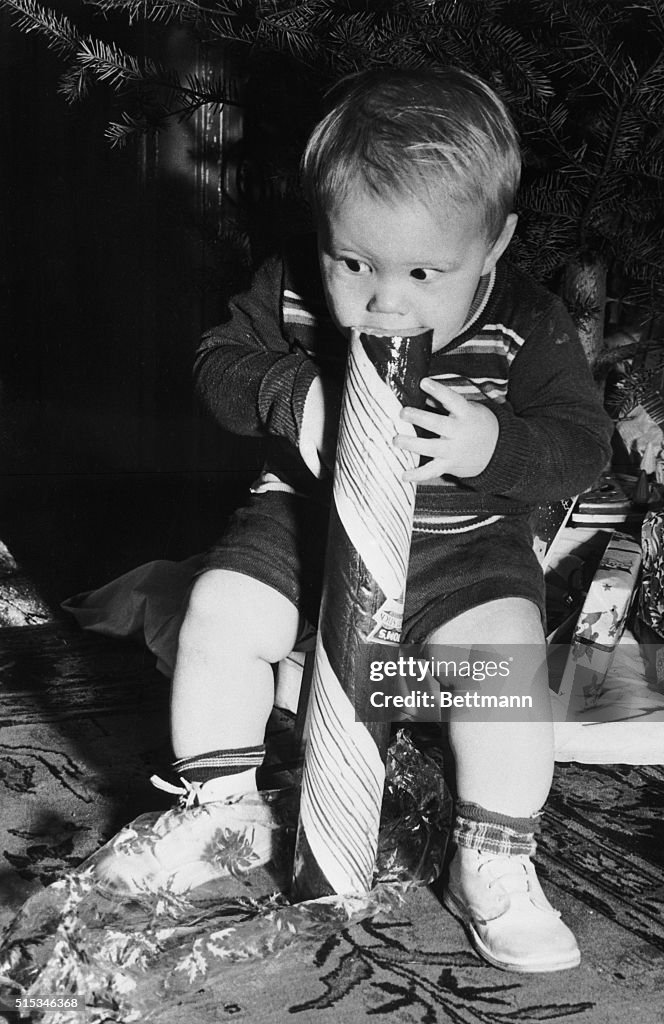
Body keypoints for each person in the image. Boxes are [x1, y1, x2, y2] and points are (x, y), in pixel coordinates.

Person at [91, 67, 612, 973]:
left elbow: (581, 445)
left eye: (424, 273)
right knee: (219, 612)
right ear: (322, 232)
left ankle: (492, 857)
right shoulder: (289, 283)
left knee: (505, 667)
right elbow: (219, 364)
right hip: (301, 522)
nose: (385, 301)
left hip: (464, 549)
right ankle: (221, 811)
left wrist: (492, 442)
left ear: (493, 245)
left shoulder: (527, 322)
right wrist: (292, 393)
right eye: (355, 263)